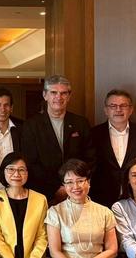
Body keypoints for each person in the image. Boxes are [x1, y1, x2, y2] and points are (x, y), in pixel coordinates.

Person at [22, 75, 96, 204]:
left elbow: (90, 158)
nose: (58, 97)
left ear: (69, 96)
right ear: (45, 95)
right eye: (53, 92)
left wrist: (72, 185)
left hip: (77, 192)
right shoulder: (31, 125)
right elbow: (31, 162)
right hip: (44, 194)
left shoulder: (81, 123)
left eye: (63, 93)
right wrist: (56, 188)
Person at [90, 89, 136, 208]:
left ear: (131, 110)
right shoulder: (93, 134)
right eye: (113, 106)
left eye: (123, 106)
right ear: (106, 110)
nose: (118, 109)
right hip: (101, 199)